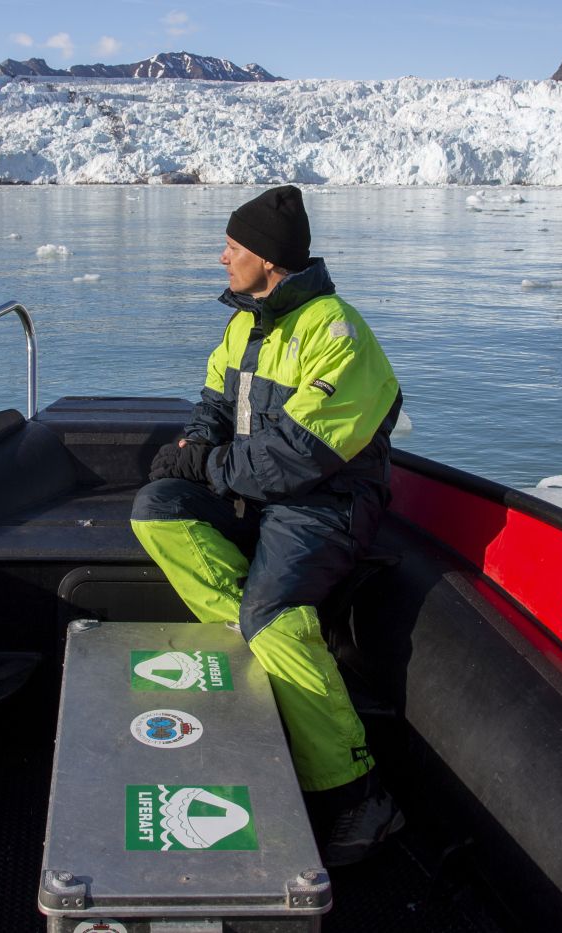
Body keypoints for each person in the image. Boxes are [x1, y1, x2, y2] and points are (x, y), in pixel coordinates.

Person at [131, 185, 405, 866]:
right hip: (258, 491)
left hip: (326, 502)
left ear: (269, 260)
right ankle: (250, 639)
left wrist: (207, 467)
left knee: (275, 609)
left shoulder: (336, 333)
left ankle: (358, 794)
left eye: (234, 247)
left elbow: (296, 459)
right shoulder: (245, 322)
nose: (222, 256)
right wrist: (192, 454)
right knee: (156, 511)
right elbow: (213, 407)